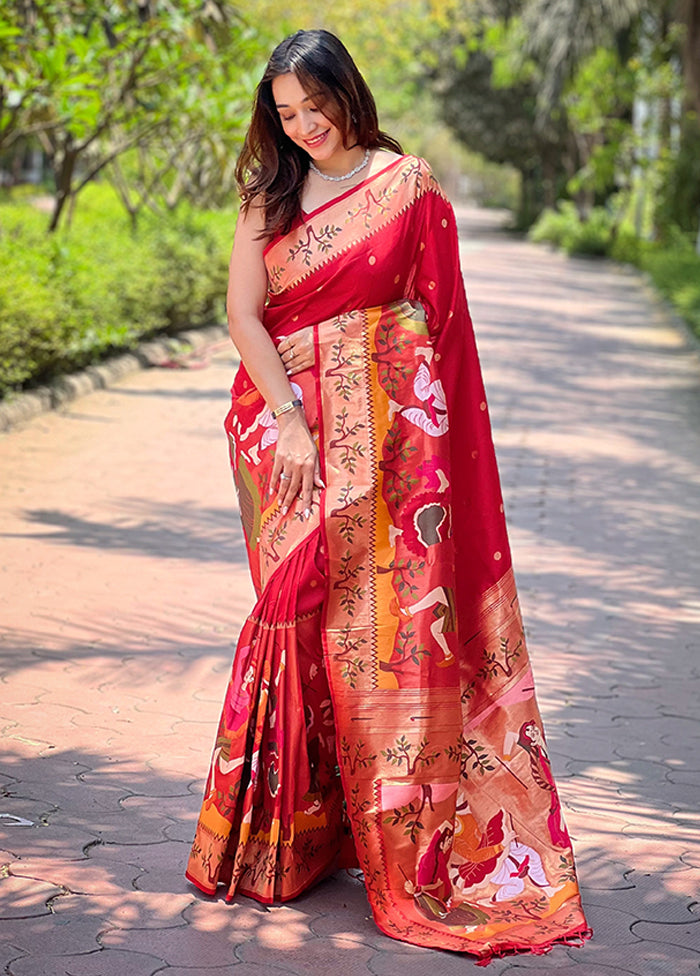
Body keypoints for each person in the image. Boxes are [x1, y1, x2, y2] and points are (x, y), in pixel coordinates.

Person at [185, 28, 591, 963]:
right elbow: (245, 312)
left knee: (390, 630)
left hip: (399, 442)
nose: (303, 127)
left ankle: (401, 838)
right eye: (285, 115)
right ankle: (289, 836)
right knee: (295, 609)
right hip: (286, 427)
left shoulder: (408, 186)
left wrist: (417, 427)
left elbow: (441, 326)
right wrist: (291, 416)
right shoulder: (268, 193)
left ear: (347, 93)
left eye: (314, 107)